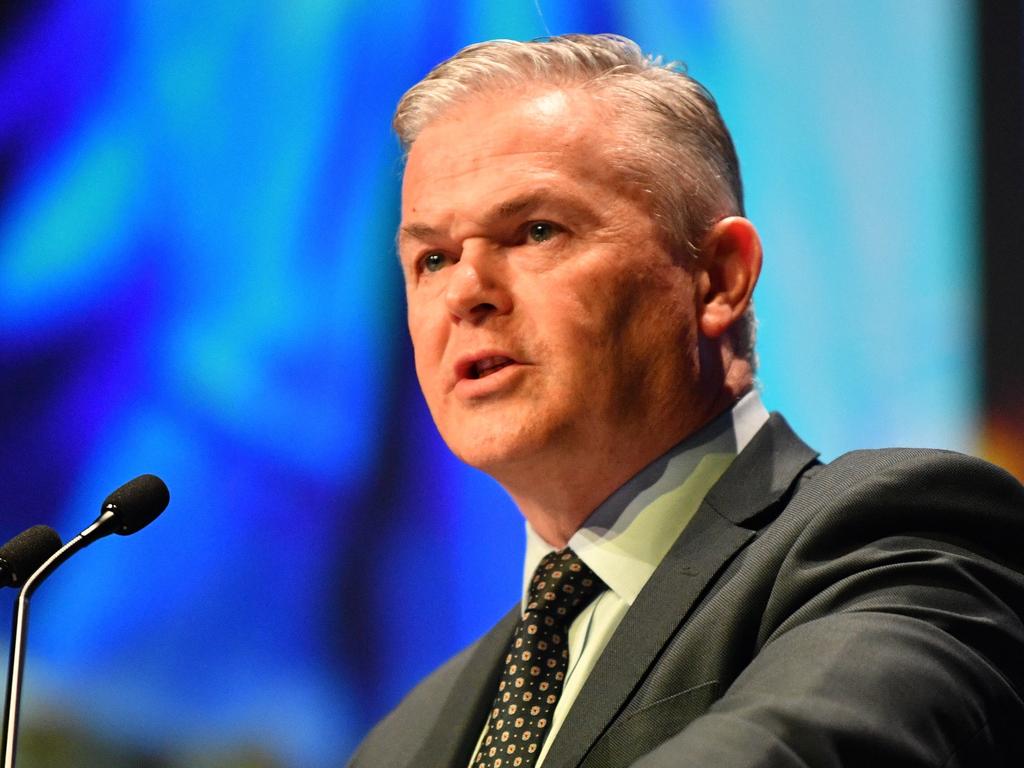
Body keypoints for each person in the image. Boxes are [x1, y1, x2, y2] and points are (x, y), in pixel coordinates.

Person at [350, 34, 1024, 767]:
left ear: (719, 277)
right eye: (433, 258)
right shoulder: (404, 741)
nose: (465, 292)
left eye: (537, 231)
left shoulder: (898, 538)